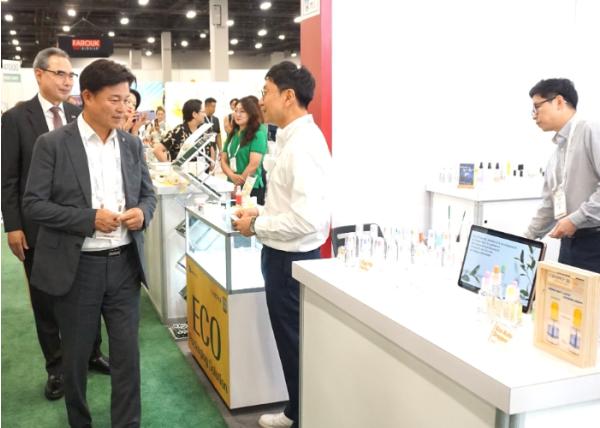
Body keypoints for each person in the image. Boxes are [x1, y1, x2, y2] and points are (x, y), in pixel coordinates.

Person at [22, 58, 157, 427]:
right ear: (87, 97)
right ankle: (79, 421)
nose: (124, 108)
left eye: (127, 100)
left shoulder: (131, 144)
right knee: (76, 356)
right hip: (78, 267)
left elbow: (148, 195)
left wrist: (142, 213)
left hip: (125, 265)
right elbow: (33, 204)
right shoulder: (52, 144)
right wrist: (88, 219)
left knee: (127, 355)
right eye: (115, 99)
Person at [1, 47, 110, 402]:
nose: (66, 81)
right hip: (38, 228)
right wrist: (12, 225)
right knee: (46, 301)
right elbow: (9, 178)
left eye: (70, 75)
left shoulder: (80, 113)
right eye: (59, 73)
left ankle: (92, 353)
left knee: (89, 295)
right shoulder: (16, 119)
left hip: (82, 226)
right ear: (39, 74)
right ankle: (57, 368)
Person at [233, 61, 331, 428]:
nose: (261, 100)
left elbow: (307, 220)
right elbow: (291, 207)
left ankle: (303, 415)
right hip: (285, 258)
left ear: (288, 96)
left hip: (291, 262)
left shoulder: (302, 146)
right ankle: (298, 410)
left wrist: (257, 224)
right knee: (292, 343)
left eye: (266, 92)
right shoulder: (293, 139)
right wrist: (259, 213)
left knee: (295, 344)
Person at [525, 78, 600, 273]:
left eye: (537, 107)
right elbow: (549, 206)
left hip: (595, 242)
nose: (533, 115)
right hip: (569, 244)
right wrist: (526, 238)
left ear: (559, 101)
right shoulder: (556, 156)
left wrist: (576, 219)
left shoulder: (590, 130)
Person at [221, 96, 268, 204]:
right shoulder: (233, 134)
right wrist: (232, 176)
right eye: (236, 111)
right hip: (232, 185)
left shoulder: (258, 134)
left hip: (250, 186)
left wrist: (238, 183)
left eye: (242, 111)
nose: (237, 114)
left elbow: (254, 164)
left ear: (251, 114)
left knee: (246, 213)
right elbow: (223, 159)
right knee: (233, 213)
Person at [157, 99, 213, 167]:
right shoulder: (178, 131)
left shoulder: (204, 130)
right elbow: (157, 150)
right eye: (203, 112)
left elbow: (210, 147)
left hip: (203, 172)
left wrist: (211, 164)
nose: (205, 115)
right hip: (183, 173)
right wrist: (170, 167)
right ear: (194, 114)